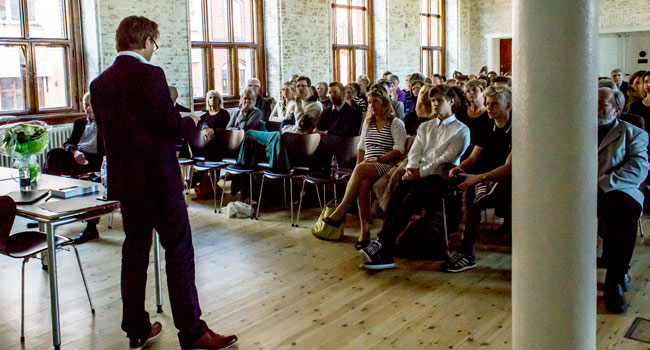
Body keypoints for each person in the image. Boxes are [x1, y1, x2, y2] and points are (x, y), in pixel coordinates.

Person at [89, 16, 237, 350]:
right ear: (145, 41)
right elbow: (166, 126)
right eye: (155, 43)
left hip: (127, 184)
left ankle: (137, 329)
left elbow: (108, 138)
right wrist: (189, 122)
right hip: (158, 182)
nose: (155, 50)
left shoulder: (100, 83)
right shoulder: (150, 74)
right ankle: (193, 332)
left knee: (135, 251)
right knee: (179, 251)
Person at [359, 85, 470, 269]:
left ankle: (383, 242)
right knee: (398, 187)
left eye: (439, 101)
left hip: (442, 176)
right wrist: (411, 169)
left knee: (414, 195)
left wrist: (420, 172)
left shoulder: (461, 130)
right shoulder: (426, 126)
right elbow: (415, 151)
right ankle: (385, 246)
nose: (434, 104)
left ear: (451, 102)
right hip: (418, 172)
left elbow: (445, 159)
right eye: (432, 101)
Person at [316, 89, 407, 248]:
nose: (371, 106)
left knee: (362, 170)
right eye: (369, 102)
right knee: (363, 182)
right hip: (367, 165)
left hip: (386, 164)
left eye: (375, 102)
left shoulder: (395, 123)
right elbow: (362, 147)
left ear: (384, 103)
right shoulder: (368, 122)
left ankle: (341, 209)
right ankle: (364, 231)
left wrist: (378, 159)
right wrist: (357, 169)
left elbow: (399, 150)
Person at [442, 85, 513, 273]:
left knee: (472, 194)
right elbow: (474, 156)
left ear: (509, 106)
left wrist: (478, 178)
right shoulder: (486, 124)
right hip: (485, 174)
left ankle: (466, 251)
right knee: (452, 182)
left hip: (509, 178)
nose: (489, 107)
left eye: (495, 104)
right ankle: (446, 237)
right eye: (488, 103)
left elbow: (508, 167)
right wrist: (460, 167)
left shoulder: (517, 128)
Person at [596, 87, 649, 313]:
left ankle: (614, 282)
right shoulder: (575, 130)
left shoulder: (634, 133)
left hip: (619, 188)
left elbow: (639, 167)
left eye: (601, 104)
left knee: (622, 209)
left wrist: (603, 184)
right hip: (579, 189)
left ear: (616, 111)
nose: (595, 108)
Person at [43, 92, 103, 244]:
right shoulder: (79, 122)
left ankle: (91, 227)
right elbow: (68, 143)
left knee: (96, 179)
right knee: (53, 155)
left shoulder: (107, 123)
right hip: (77, 156)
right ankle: (49, 210)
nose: (88, 108)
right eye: (85, 105)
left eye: (91, 105)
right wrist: (75, 151)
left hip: (96, 161)